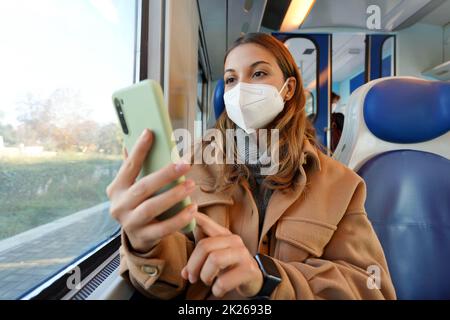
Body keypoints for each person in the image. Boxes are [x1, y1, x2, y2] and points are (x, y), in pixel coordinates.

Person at [106, 33, 396, 300]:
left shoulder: (340, 183)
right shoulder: (191, 165)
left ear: (287, 88)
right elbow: (174, 277)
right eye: (231, 80)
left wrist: (267, 277)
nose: (241, 89)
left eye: (258, 73)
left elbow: (370, 287)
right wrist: (146, 246)